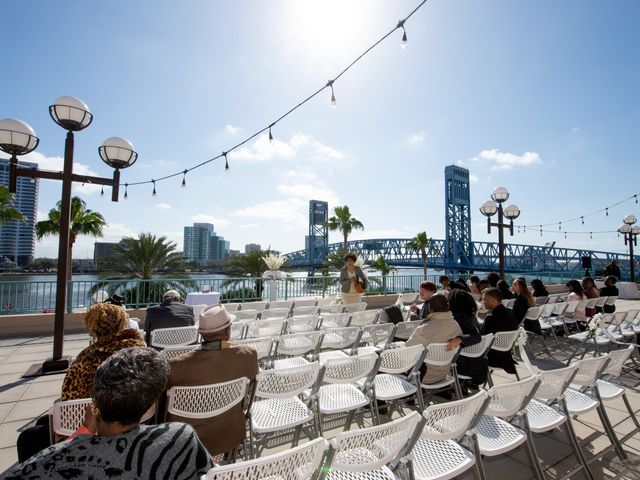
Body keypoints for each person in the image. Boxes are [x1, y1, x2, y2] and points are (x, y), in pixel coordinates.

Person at [6, 347, 213, 479]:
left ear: (95, 400)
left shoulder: (41, 466)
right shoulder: (180, 439)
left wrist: (84, 432)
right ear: (149, 408)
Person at [16, 302, 146, 462]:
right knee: (43, 422)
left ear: (92, 327)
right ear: (123, 322)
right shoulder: (141, 351)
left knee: (27, 438)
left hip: (99, 425)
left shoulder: (86, 359)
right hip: (136, 416)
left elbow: (70, 400)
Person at [166, 304, 259, 456]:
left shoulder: (176, 366)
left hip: (186, 443)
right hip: (228, 434)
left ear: (201, 333)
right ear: (228, 331)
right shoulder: (248, 355)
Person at [406, 295, 463, 385]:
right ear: (448, 306)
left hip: (423, 376)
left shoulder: (426, 327)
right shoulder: (455, 325)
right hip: (443, 374)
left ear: (430, 308)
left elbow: (408, 348)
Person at [446, 289, 486, 386]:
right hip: (478, 363)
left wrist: (460, 339)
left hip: (465, 365)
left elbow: (476, 336)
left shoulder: (459, 318)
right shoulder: (471, 317)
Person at [480, 287, 519, 374]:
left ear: (493, 301)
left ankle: (472, 381)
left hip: (492, 358)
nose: (483, 302)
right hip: (506, 356)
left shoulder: (491, 318)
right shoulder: (510, 315)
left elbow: (482, 339)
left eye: (485, 300)